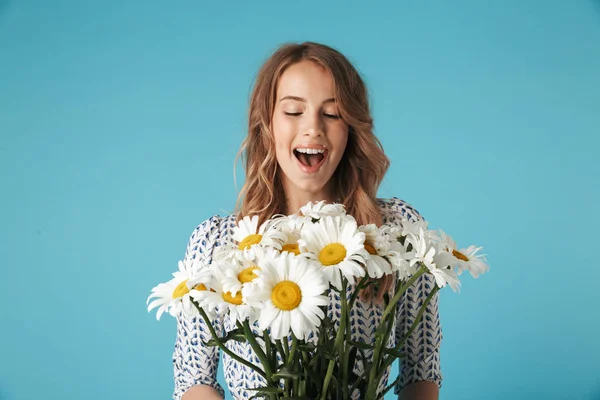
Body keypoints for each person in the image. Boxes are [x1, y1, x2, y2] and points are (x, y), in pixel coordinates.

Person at [173, 42, 442, 400]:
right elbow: (194, 380)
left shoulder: (396, 230)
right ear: (266, 123)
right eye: (293, 111)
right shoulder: (217, 243)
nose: (313, 128)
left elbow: (421, 372)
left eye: (332, 114)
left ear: (351, 128)